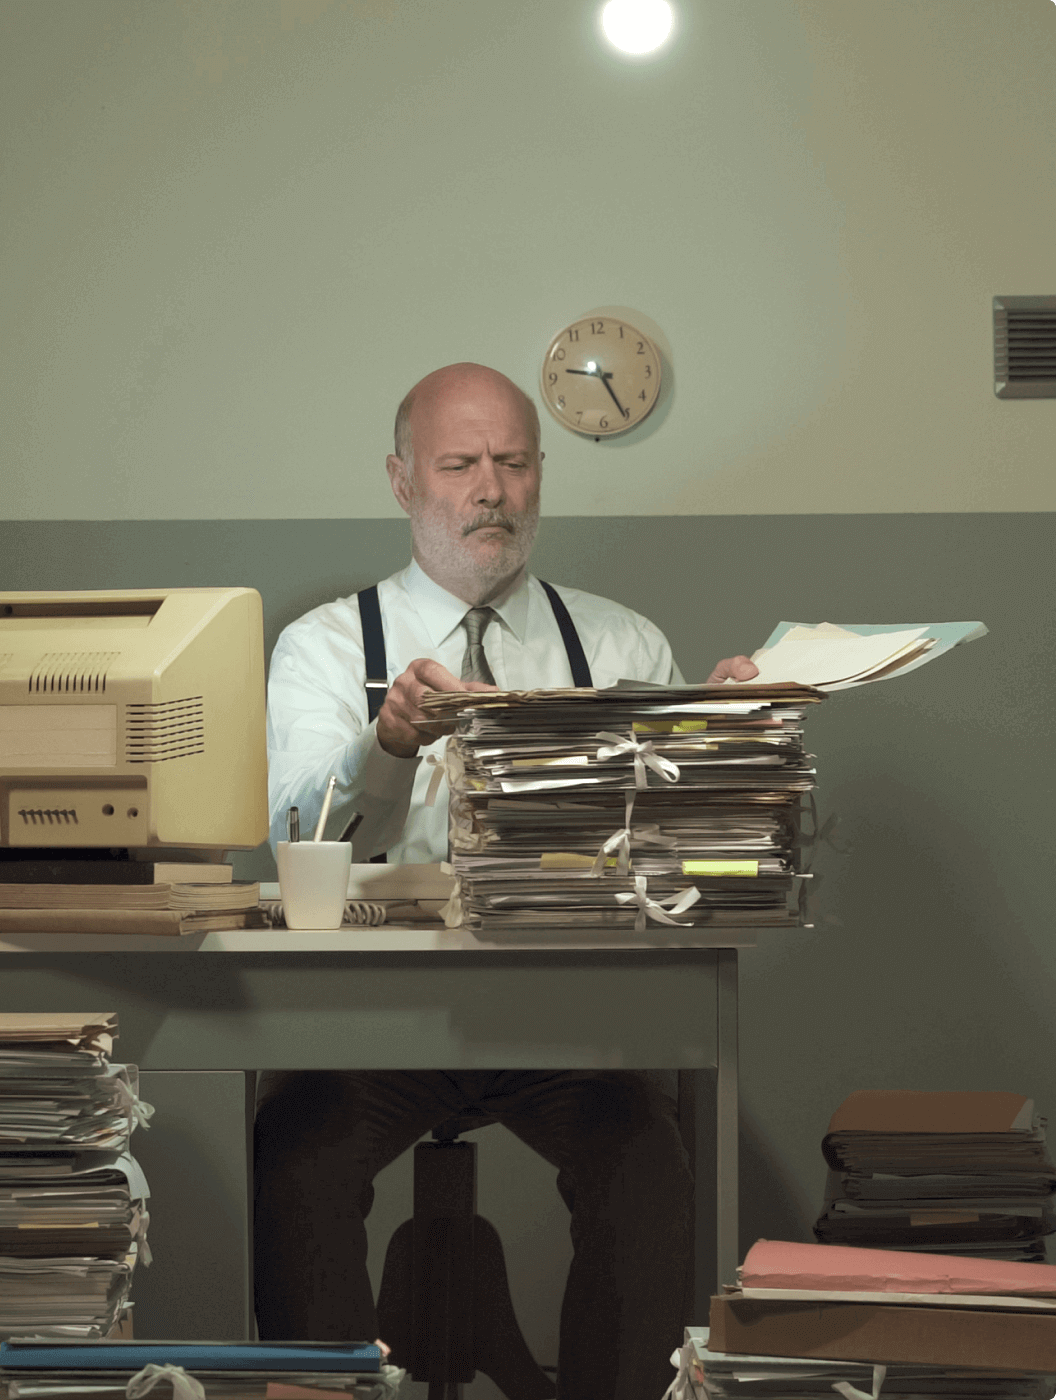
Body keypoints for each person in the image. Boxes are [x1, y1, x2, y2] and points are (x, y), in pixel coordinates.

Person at [256, 363, 757, 1400]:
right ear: (403, 479)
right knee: (299, 1160)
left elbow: (664, 866)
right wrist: (386, 742)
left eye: (514, 462)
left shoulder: (621, 644)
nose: (491, 487)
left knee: (647, 1170)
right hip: (376, 1023)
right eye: (460, 463)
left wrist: (712, 750)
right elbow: (297, 830)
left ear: (539, 477)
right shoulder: (323, 646)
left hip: (567, 1023)